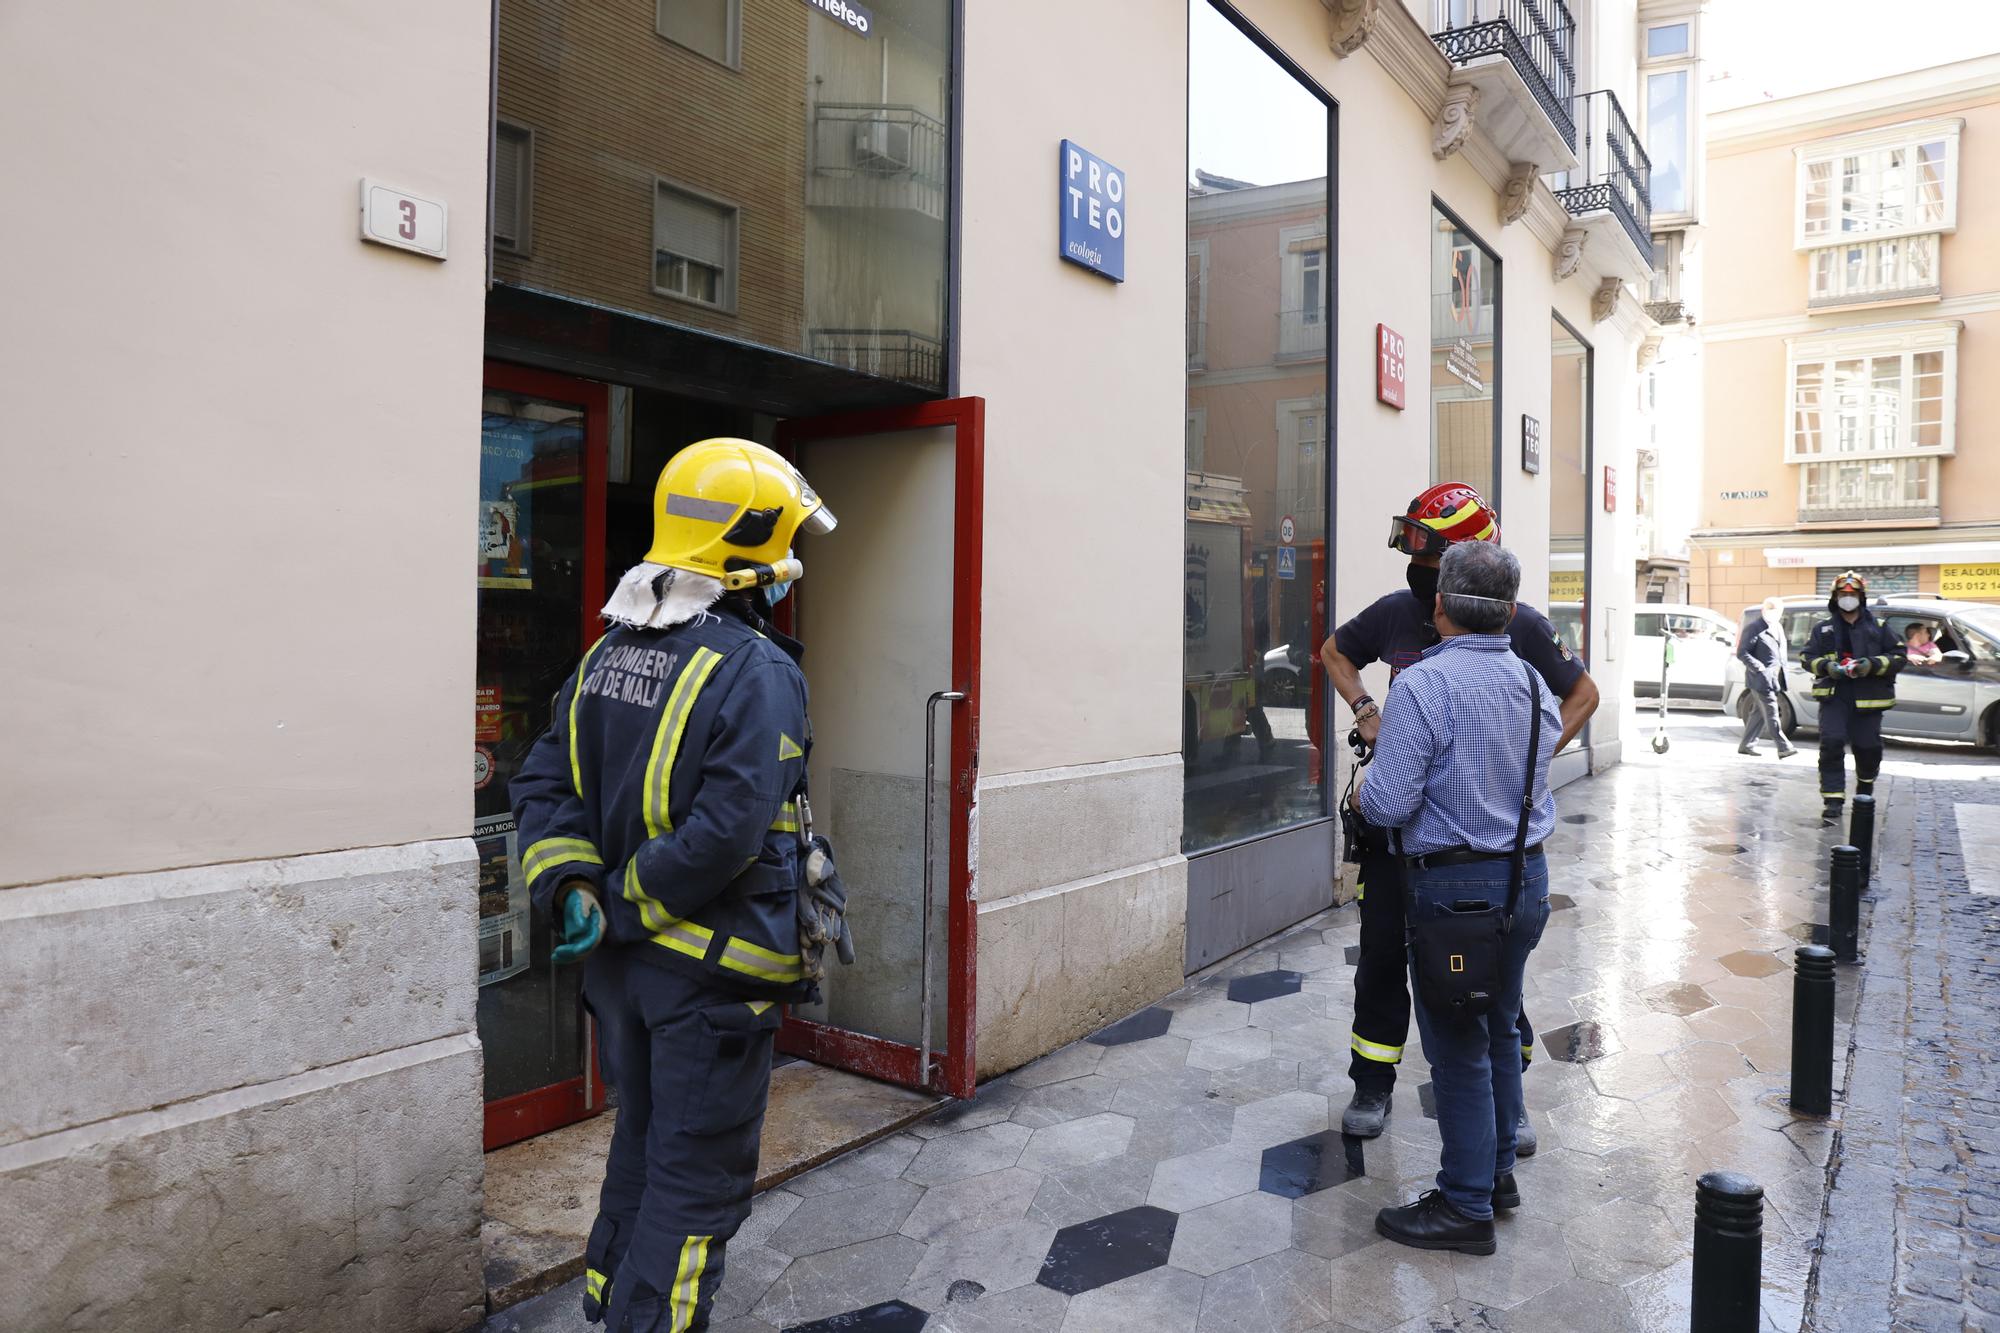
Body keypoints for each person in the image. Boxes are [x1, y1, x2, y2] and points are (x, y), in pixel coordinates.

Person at [512, 438, 840, 1332]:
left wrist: (574, 888)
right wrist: (618, 903)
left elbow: (542, 786)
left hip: (621, 981)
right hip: (710, 983)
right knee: (697, 1187)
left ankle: (608, 1302)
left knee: (645, 1148)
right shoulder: (758, 670)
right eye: (781, 557)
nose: (787, 578)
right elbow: (729, 833)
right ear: (747, 555)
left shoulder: (605, 655)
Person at [1318, 482, 1596, 1147]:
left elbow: (1581, 694)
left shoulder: (1519, 622)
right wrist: (1366, 712)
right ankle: (1373, 1083)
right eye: (1411, 542)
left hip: (1474, 845)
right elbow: (1334, 652)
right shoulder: (1393, 613)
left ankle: (1508, 1102)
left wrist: (1525, 767)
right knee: (1382, 956)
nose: (1414, 559)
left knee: (1487, 968)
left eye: (1426, 547)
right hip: (1398, 837)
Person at [1355, 541, 1560, 1256]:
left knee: (1459, 1047)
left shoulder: (1423, 686)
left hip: (1454, 890)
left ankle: (1466, 1205)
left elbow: (1387, 802)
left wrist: (1361, 783)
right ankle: (1497, 1173)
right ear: (1506, 611)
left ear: (1439, 605)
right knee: (1499, 1025)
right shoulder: (1534, 683)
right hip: (1525, 880)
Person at [1801, 569, 1904, 824]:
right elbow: (1807, 657)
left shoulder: (1879, 628)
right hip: (1835, 695)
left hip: (1869, 697)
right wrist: (1826, 667)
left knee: (1867, 746)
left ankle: (1865, 784)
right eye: (1842, 594)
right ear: (1835, 598)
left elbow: (1899, 656)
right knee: (1832, 742)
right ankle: (1833, 799)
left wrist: (1870, 665)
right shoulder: (1822, 628)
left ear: (1861, 596)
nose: (1847, 597)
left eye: (1852, 594)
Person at [1736, 596, 1797, 759]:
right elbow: (1742, 652)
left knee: (1758, 713)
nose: (1772, 614)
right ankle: (1783, 747)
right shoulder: (1754, 627)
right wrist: (1759, 668)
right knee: (1771, 713)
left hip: (1775, 679)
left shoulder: (1777, 627)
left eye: (1776, 611)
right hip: (1760, 679)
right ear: (1763, 610)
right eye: (1769, 610)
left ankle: (1746, 745)